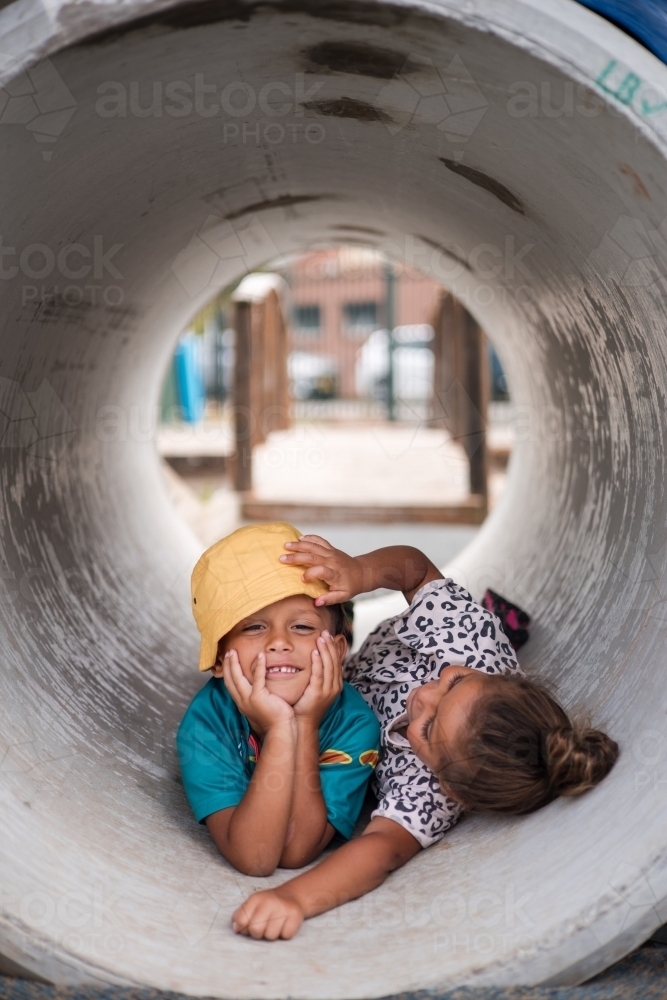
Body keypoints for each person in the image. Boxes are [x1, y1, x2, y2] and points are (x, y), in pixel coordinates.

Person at [231, 534, 619, 940]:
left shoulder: (433, 794)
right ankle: (499, 620)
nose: (424, 696)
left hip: (341, 705)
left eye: (428, 728)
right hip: (372, 651)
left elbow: (380, 852)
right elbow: (415, 569)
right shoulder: (472, 645)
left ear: (452, 786)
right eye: (453, 683)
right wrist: (359, 572)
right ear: (491, 673)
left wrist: (294, 899)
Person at [176, 523, 380, 876]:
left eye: (302, 627)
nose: (279, 642)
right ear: (221, 660)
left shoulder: (355, 724)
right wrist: (281, 728)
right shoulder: (206, 725)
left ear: (337, 650)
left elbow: (295, 851)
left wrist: (303, 723)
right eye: (253, 627)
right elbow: (256, 857)